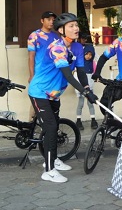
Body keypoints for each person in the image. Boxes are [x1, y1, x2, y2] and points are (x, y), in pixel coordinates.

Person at [29, 12, 98, 183]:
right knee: (51, 128)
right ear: (61, 30)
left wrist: (87, 87)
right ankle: (49, 169)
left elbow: (81, 71)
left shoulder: (77, 47)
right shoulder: (57, 47)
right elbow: (68, 75)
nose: (76, 29)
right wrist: (85, 92)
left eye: (76, 25)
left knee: (53, 127)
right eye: (71, 26)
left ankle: (53, 159)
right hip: (40, 92)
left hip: (55, 94)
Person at [27, 10, 59, 120]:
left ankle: (50, 129)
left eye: (53, 20)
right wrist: (32, 75)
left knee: (52, 106)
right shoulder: (34, 36)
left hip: (53, 77)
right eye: (48, 19)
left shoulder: (56, 37)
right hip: (40, 76)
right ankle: (31, 129)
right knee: (37, 105)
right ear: (42, 20)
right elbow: (31, 56)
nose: (51, 22)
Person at [74, 40, 98, 130]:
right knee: (80, 104)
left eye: (90, 55)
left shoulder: (92, 65)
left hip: (90, 87)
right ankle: (78, 120)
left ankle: (93, 119)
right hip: (81, 87)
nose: (88, 56)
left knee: (90, 103)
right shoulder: (79, 64)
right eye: (87, 54)